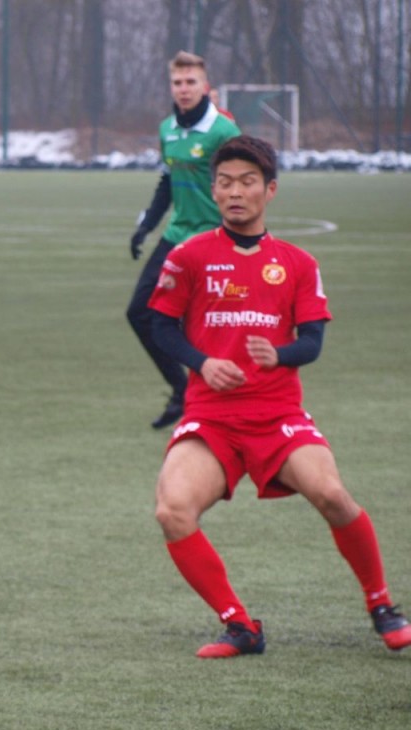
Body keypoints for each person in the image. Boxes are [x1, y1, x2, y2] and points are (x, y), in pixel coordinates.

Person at [148, 134, 411, 659]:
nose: (234, 192)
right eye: (225, 182)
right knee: (172, 510)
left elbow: (312, 342)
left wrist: (279, 354)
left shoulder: (298, 262)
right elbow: (159, 326)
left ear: (270, 190)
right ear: (213, 191)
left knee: (332, 495)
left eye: (247, 182)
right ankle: (240, 626)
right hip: (211, 417)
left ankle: (382, 605)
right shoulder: (188, 256)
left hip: (277, 415)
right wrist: (202, 362)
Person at [128, 51, 240, 429]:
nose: (184, 89)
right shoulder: (167, 130)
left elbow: (241, 185)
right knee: (140, 312)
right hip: (176, 237)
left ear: (205, 86)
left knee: (210, 324)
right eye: (178, 82)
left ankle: (219, 401)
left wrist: (237, 237)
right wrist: (146, 226)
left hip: (214, 239)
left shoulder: (223, 132)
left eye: (191, 82)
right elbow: (167, 181)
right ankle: (182, 390)